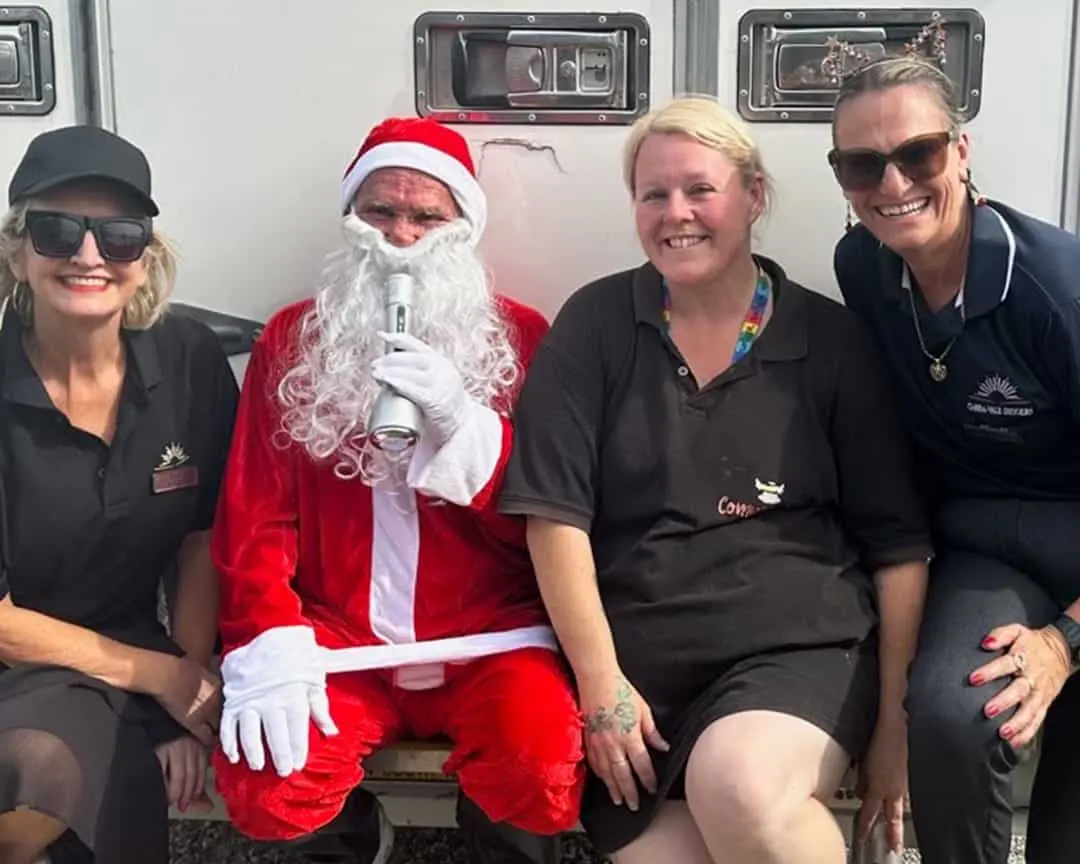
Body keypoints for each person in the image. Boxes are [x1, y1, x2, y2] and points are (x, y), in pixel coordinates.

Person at [497, 94, 932, 864]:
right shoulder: (595, 326)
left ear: (753, 195)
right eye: (653, 194)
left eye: (702, 188)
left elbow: (898, 548)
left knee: (738, 788)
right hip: (639, 683)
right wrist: (601, 691)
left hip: (797, 650)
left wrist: (893, 728)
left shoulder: (829, 340)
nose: (677, 213)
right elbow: (553, 519)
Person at [210, 116, 585, 864]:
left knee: (541, 765)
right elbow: (254, 515)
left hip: (489, 636)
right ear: (351, 219)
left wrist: (465, 428)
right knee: (265, 782)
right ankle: (356, 838)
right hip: (339, 638)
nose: (401, 235)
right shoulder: (291, 338)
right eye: (380, 211)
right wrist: (266, 637)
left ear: (463, 225)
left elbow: (548, 516)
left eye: (426, 215)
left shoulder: (523, 338)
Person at [829, 49, 1080, 864]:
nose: (892, 184)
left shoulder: (1058, 289)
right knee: (948, 712)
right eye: (862, 164)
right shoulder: (862, 267)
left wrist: (1063, 644)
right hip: (980, 546)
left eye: (917, 154)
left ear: (961, 151)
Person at [0, 125, 237, 864]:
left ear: (147, 258)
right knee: (31, 777)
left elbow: (202, 537)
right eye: (57, 230)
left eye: (120, 235)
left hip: (125, 655)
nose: (89, 255)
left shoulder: (192, 362)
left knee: (67, 791)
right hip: (20, 660)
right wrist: (161, 677)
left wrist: (187, 680)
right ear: (16, 251)